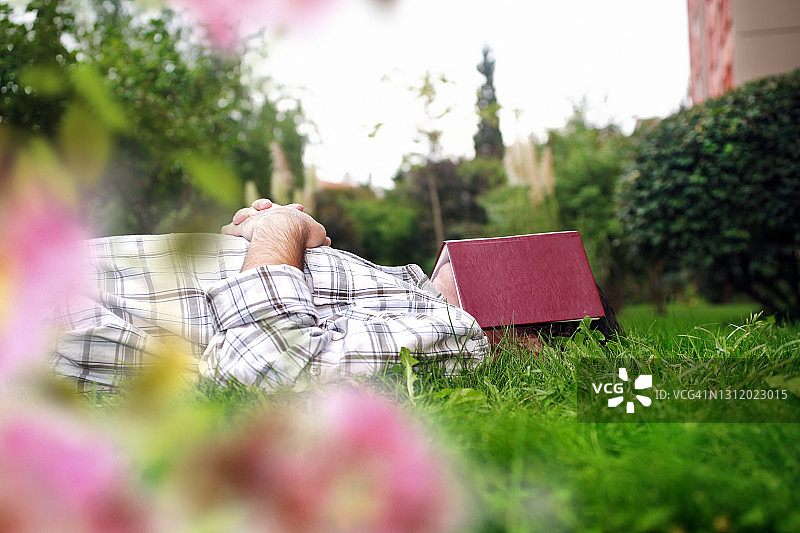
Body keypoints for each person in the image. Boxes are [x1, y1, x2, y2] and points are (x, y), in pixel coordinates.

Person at [51, 200, 489, 391]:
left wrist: (256, 241)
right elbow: (267, 371)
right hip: (454, 317)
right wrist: (280, 230)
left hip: (431, 299)